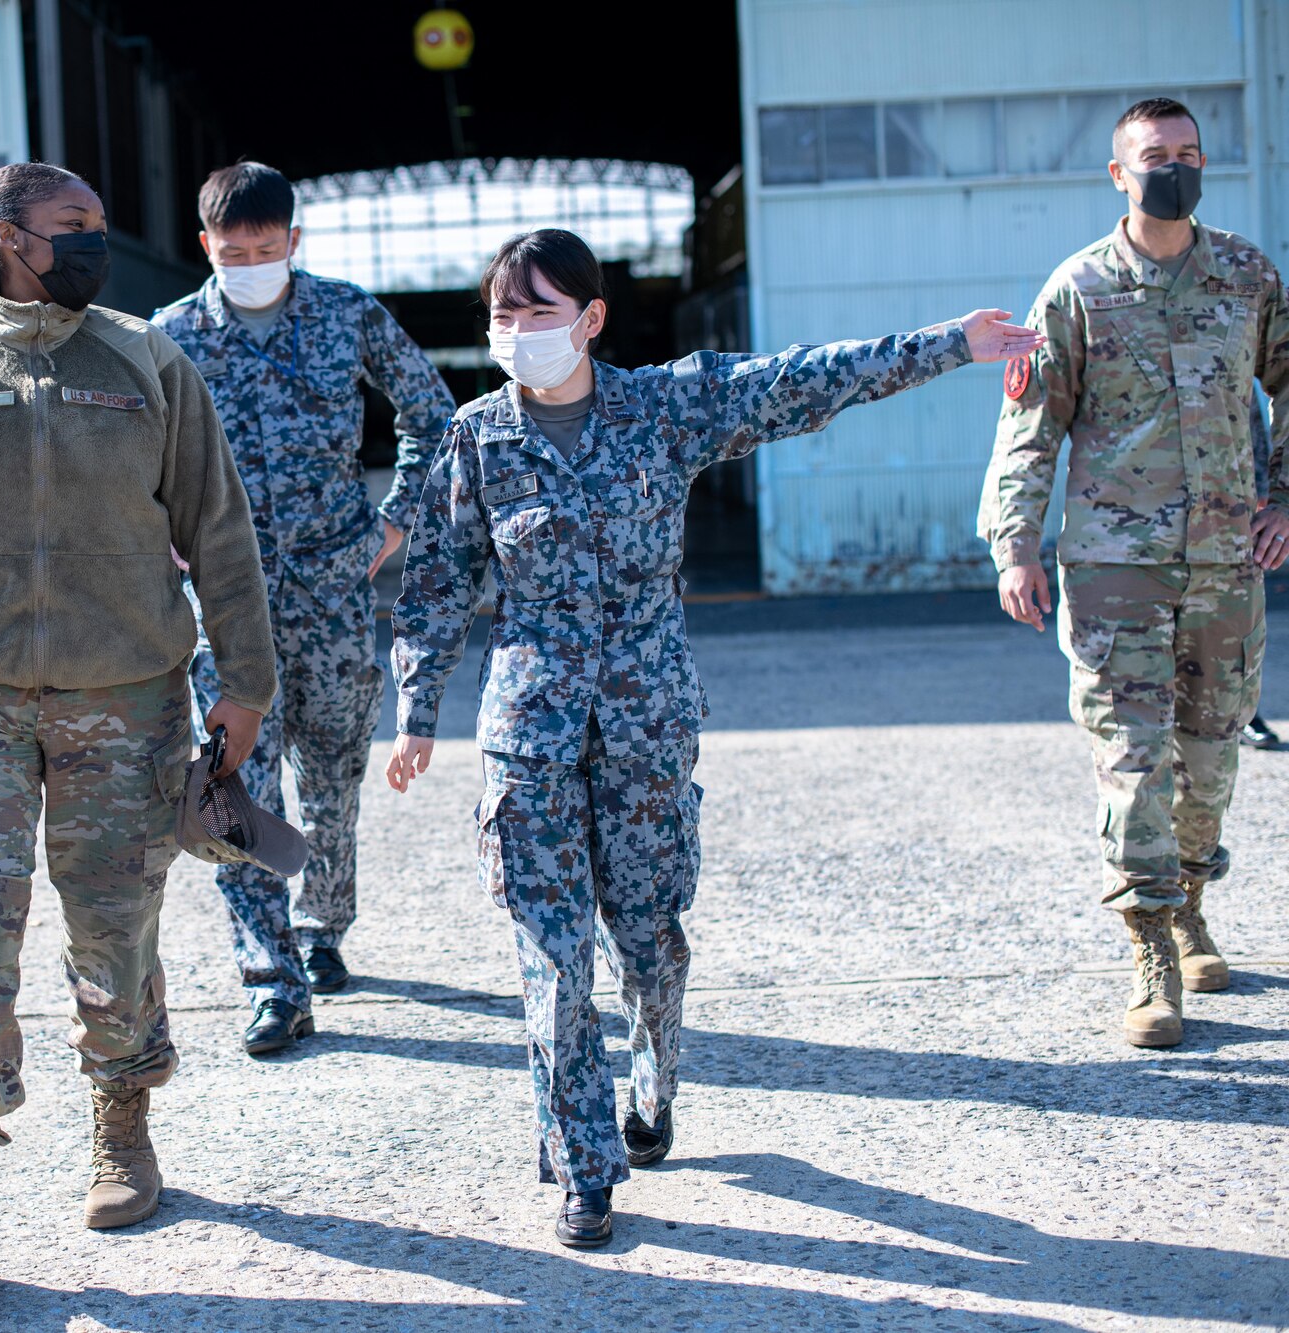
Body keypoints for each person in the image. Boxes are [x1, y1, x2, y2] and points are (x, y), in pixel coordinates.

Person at [387, 228, 1037, 1249]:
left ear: (591, 319)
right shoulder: (477, 437)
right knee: (551, 957)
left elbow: (801, 383)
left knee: (648, 941)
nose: (517, 334)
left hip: (646, 726)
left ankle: (652, 1078)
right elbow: (434, 581)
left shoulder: (661, 410)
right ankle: (583, 1163)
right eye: (501, 317)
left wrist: (948, 345)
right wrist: (415, 708)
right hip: (529, 733)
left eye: (539, 313)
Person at [0, 161, 278, 1283]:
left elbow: (217, 527)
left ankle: (122, 1124)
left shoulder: (143, 359)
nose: (91, 244)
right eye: (66, 227)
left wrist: (247, 683)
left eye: (99, 225)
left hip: (124, 697)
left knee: (112, 928)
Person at [980, 98, 1289, 1047]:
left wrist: (1286, 499)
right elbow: (1031, 430)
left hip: (1227, 561)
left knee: (1213, 753)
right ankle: (1151, 946)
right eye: (1156, 155)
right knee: (1132, 758)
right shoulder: (1076, 289)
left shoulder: (1246, 277)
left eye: (1189, 154)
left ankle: (1191, 899)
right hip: (1115, 565)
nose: (1174, 167)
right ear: (1119, 172)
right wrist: (1016, 545)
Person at [152, 162, 456, 1053]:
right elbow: (127, 454)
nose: (250, 260)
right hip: (224, 602)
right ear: (204, 245)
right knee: (234, 781)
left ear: (294, 240)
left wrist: (393, 526)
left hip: (333, 591)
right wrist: (162, 542)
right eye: (232, 249)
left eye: (267, 246)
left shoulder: (347, 314)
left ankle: (322, 925)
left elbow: (433, 417)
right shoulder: (170, 337)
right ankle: (271, 977)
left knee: (331, 776)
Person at [1242, 389, 1284, 749]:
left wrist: (1265, 490)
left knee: (1236, 623)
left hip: (1229, 508)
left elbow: (1249, 418)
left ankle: (1244, 713)